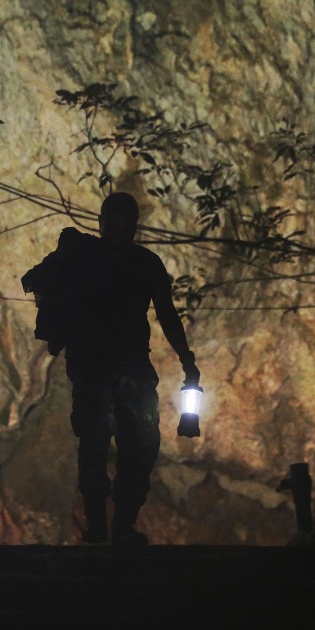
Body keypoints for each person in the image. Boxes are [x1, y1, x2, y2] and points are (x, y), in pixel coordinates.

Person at [21, 192, 201, 546]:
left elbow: (166, 313)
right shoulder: (80, 258)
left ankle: (122, 525)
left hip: (132, 364)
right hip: (91, 365)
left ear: (134, 228)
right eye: (113, 226)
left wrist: (187, 359)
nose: (119, 234)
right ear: (101, 223)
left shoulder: (146, 264)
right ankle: (95, 524)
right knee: (94, 444)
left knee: (142, 443)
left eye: (126, 228)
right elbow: (37, 281)